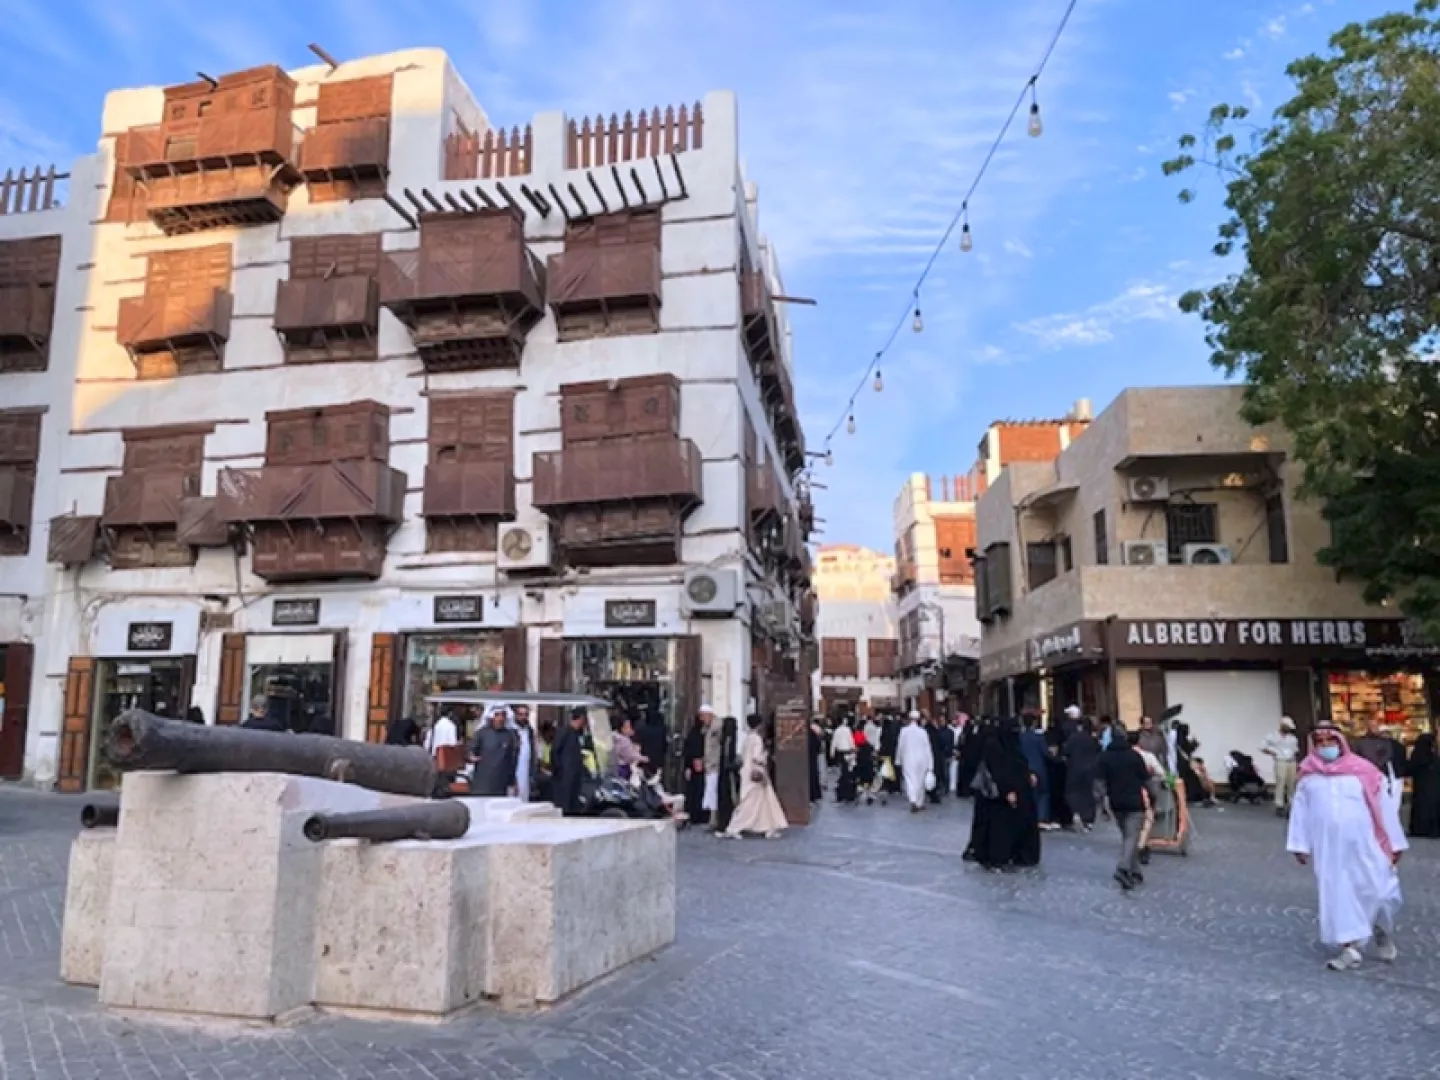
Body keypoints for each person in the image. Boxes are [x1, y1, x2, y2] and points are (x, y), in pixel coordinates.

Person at [1286, 725, 1407, 971]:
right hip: (1329, 848)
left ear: (1341, 742)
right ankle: (1350, 947)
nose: (1326, 746)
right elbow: (1300, 813)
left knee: (1379, 890)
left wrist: (1395, 843)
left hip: (1366, 844)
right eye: (1320, 742)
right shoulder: (1308, 777)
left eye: (1330, 740)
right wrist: (1300, 844)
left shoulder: (1365, 773)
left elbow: (1384, 809)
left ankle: (1380, 928)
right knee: (1338, 893)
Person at [1095, 731, 1153, 890]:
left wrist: (1101, 804)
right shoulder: (1134, 756)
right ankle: (1123, 868)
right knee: (1132, 836)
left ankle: (1135, 870)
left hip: (1116, 802)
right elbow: (1146, 779)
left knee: (1127, 836)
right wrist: (1153, 796)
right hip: (1135, 801)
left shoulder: (1104, 757)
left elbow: (1099, 783)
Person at [723, 714, 788, 838]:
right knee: (753, 802)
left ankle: (768, 827)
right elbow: (757, 757)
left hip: (747, 772)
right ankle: (735, 827)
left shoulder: (747, 738)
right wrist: (765, 755)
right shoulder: (757, 739)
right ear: (759, 725)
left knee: (759, 801)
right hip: (756, 773)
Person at [1353, 715, 1408, 822]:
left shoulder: (1388, 743)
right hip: (1367, 777)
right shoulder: (1359, 743)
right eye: (1372, 726)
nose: (1374, 728)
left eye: (1376, 726)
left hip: (1383, 778)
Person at [469, 706, 519, 797]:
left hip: (501, 784)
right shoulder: (481, 733)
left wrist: (513, 781)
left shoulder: (510, 735)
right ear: (491, 717)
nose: (500, 718)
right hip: (482, 782)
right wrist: (471, 756)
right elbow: (470, 750)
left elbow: (512, 760)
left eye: (503, 715)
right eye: (497, 715)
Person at [1063, 717, 1101, 831]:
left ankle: (1076, 812)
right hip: (1090, 769)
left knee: (1073, 792)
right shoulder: (1092, 739)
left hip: (1074, 768)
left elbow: (1066, 752)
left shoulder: (1073, 738)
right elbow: (1098, 751)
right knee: (1088, 793)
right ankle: (1088, 819)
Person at [550, 707, 588, 814]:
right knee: (564, 804)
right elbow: (555, 751)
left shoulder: (577, 734)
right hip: (565, 776)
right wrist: (559, 769)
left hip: (575, 775)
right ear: (581, 719)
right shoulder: (564, 732)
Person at [1260, 716, 1301, 817]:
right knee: (1280, 781)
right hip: (1280, 761)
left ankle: (1292, 804)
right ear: (1282, 726)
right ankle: (1279, 805)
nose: (1288, 729)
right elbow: (1262, 746)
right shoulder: (1272, 736)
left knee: (1292, 783)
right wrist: (1272, 753)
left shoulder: (1292, 738)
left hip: (1291, 761)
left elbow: (1296, 750)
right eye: (1287, 727)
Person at [1019, 715, 1055, 830]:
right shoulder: (1038, 738)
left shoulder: (1020, 737)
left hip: (1025, 768)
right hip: (1039, 767)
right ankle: (1041, 818)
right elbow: (1046, 753)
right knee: (1043, 793)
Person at [896, 711, 934, 812]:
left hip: (908, 759)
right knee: (920, 781)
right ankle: (919, 803)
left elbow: (900, 746)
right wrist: (930, 764)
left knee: (910, 780)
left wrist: (898, 759)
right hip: (922, 760)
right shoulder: (923, 732)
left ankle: (913, 800)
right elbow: (927, 748)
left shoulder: (904, 731)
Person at [1407, 733, 1439, 838]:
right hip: (1435, 787)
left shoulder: (1417, 755)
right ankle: (1433, 829)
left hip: (1421, 786)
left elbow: (1410, 769)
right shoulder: (1434, 756)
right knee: (1433, 808)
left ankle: (1420, 829)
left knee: (1421, 808)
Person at [716, 715, 741, 833]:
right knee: (730, 798)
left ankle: (724, 823)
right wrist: (737, 764)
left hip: (723, 774)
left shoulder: (724, 739)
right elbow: (728, 761)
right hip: (729, 775)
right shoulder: (730, 740)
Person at [700, 705, 723, 828]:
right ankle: (712, 818)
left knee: (712, 791)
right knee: (710, 791)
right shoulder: (708, 728)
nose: (701, 719)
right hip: (710, 764)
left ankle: (714, 819)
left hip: (715, 764)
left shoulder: (717, 727)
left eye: (703, 716)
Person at [609, 713, 645, 781]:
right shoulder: (622, 740)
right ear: (621, 728)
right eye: (627, 727)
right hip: (622, 768)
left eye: (630, 726)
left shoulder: (616, 735)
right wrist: (644, 758)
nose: (629, 729)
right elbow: (630, 756)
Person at [831, 716, 857, 804]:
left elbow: (834, 742)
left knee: (843, 771)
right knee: (848, 772)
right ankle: (848, 792)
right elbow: (851, 741)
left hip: (840, 753)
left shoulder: (837, 730)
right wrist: (854, 749)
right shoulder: (847, 730)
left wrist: (832, 752)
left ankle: (842, 791)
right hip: (848, 752)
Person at [511, 705, 535, 802]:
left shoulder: (529, 730)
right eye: (520, 714)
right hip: (514, 771)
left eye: (526, 714)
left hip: (526, 770)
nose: (523, 717)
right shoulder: (510, 731)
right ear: (515, 715)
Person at [930, 714, 954, 804]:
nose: (941, 722)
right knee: (941, 771)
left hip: (947, 754)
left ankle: (946, 787)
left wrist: (950, 752)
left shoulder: (950, 731)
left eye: (943, 720)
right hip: (940, 754)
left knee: (946, 772)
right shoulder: (938, 731)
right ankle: (941, 787)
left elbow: (950, 743)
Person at [807, 718, 824, 802]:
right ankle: (815, 794)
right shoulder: (813, 733)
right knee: (814, 775)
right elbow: (818, 745)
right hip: (813, 757)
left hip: (808, 757)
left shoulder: (806, 733)